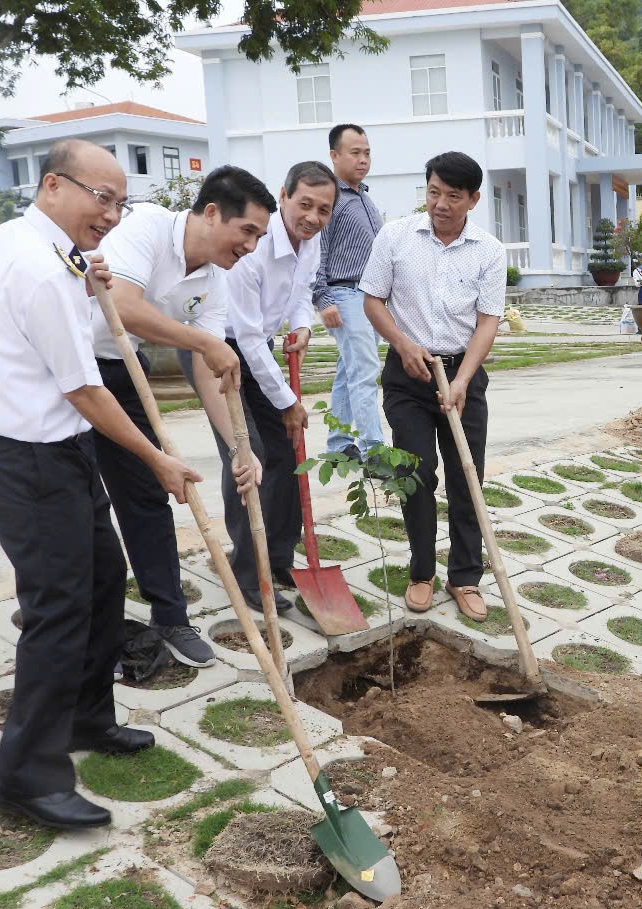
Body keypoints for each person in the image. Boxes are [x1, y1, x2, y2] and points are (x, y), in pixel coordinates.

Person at [0, 139, 199, 829]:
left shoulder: (25, 244)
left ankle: (88, 719)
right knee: (58, 611)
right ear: (56, 184)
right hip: (27, 460)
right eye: (103, 197)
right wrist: (157, 460)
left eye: (121, 203)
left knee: (100, 582)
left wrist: (83, 273)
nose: (113, 215)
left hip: (55, 456)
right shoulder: (36, 266)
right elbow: (85, 390)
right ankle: (28, 778)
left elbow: (62, 301)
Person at [90, 166, 276, 635]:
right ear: (212, 213)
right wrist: (202, 344)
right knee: (80, 506)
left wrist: (240, 447)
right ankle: (79, 619)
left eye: (260, 236)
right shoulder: (147, 226)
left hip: (120, 369)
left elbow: (210, 372)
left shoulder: (214, 281)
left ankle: (171, 619)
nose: (252, 246)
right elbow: (124, 306)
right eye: (247, 231)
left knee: (149, 494)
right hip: (67, 368)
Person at [359, 151, 506, 619]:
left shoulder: (489, 251)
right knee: (416, 473)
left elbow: (487, 322)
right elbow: (373, 299)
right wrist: (402, 345)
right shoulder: (396, 236)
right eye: (434, 192)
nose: (441, 204)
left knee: (467, 476)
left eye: (453, 196)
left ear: (473, 200)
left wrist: (462, 380)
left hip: (462, 375)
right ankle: (421, 571)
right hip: (408, 373)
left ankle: (465, 577)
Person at [186, 161, 336, 603]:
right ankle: (248, 575)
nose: (312, 217)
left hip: (259, 350)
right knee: (247, 455)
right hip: (217, 348)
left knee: (287, 453)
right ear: (284, 196)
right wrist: (289, 401)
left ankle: (279, 560)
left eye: (323, 210)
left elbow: (303, 290)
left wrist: (303, 325)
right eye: (304, 204)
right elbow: (247, 337)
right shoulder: (253, 248)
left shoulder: (310, 241)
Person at [313, 123, 387, 461]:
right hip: (344, 295)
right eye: (355, 153)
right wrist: (323, 298)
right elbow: (318, 251)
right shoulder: (331, 199)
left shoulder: (365, 199)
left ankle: (339, 444)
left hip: (368, 299)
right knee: (365, 373)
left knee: (350, 372)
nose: (363, 159)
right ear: (334, 156)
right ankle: (376, 451)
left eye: (367, 152)